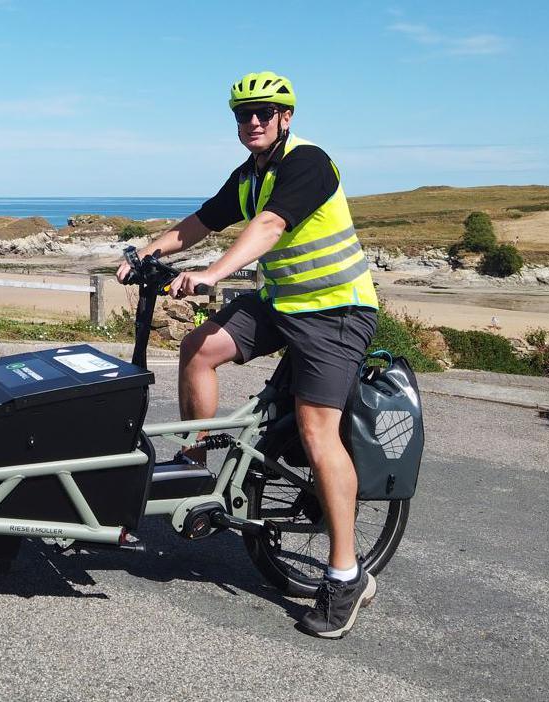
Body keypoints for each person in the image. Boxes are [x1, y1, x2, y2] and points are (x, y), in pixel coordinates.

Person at [115, 71, 380, 639]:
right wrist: (145, 250)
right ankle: (197, 461)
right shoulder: (250, 174)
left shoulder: (309, 163)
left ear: (286, 118)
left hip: (337, 312)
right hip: (284, 304)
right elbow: (203, 221)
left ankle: (346, 573)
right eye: (242, 114)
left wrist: (214, 274)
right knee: (198, 349)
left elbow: (270, 225)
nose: (252, 121)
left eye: (264, 112)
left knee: (315, 430)